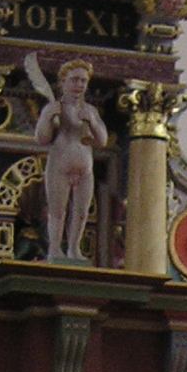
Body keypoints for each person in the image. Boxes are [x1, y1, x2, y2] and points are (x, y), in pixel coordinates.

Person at [33, 58, 110, 263]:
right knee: (58, 211)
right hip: (59, 166)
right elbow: (42, 138)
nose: (79, 85)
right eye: (74, 80)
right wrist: (47, 118)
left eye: (83, 81)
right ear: (63, 82)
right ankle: (55, 248)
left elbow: (102, 141)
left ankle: (74, 248)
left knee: (82, 212)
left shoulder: (90, 111)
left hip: (85, 168)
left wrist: (92, 122)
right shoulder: (54, 108)